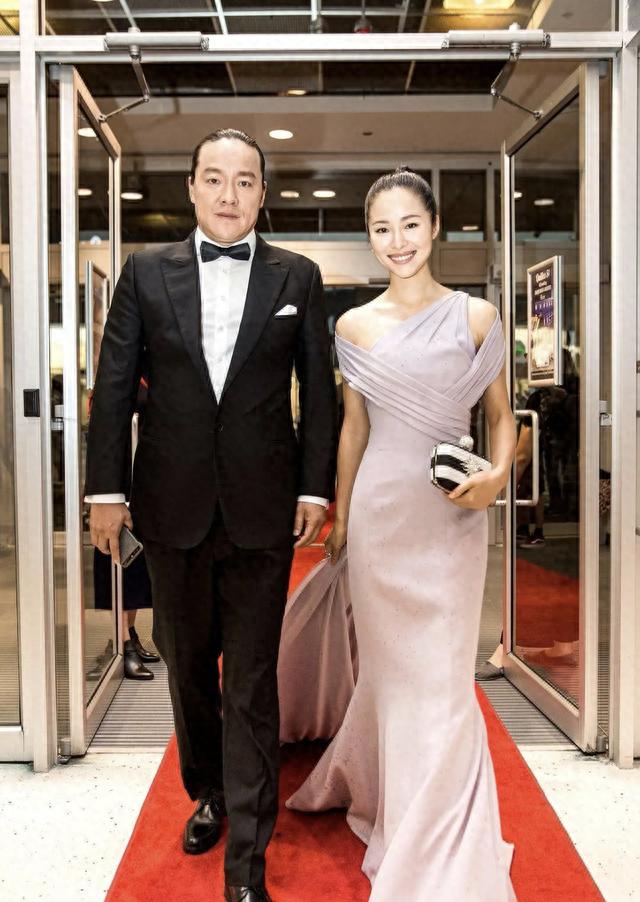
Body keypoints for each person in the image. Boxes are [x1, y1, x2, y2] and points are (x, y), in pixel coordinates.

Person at [85, 128, 337, 902]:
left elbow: (319, 393)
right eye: (216, 179)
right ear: (192, 188)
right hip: (171, 507)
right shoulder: (145, 273)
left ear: (263, 193)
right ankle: (212, 793)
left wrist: (314, 490)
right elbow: (115, 385)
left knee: (252, 681)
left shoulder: (298, 276)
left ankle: (247, 862)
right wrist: (105, 494)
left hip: (265, 511)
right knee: (189, 666)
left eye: (246, 181)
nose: (230, 194)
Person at [282, 168, 517, 900]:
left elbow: (502, 418)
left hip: (452, 516)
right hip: (383, 517)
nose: (397, 241)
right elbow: (354, 430)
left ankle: (442, 834)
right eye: (382, 228)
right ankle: (399, 805)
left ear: (435, 226)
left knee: (443, 680)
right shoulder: (353, 326)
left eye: (410, 224)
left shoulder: (476, 316)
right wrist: (343, 516)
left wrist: (496, 479)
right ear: (370, 235)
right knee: (392, 677)